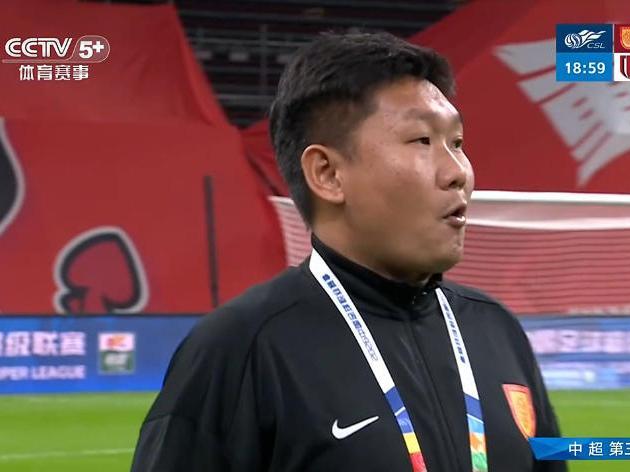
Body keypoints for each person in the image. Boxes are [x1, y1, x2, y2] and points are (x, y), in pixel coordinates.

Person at [131, 31, 565, 472]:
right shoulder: (239, 350)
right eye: (422, 140)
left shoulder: (497, 330)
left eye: (456, 143)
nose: (458, 173)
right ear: (328, 174)